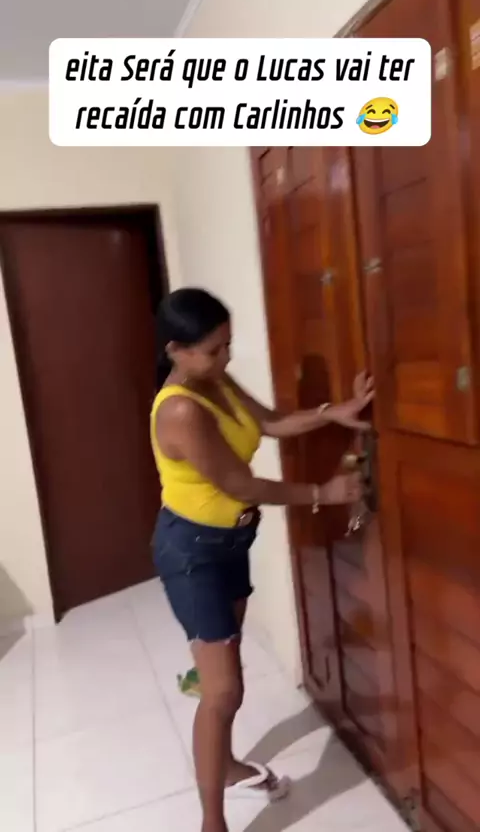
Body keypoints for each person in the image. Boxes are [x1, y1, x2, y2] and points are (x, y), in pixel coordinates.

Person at [150, 288, 374, 832]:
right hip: (192, 552)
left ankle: (225, 764)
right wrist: (322, 492)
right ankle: (213, 822)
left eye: (228, 345)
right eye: (213, 350)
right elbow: (240, 483)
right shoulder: (180, 409)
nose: (225, 357)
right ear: (176, 350)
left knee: (224, 676)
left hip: (230, 544)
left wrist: (335, 413)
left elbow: (270, 422)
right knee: (223, 689)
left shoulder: (214, 381)